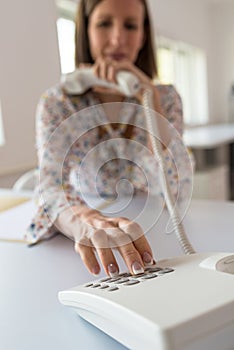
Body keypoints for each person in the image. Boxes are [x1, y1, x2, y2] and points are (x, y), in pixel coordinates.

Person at [26, 0, 193, 277]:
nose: (118, 39)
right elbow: (49, 188)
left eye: (130, 25)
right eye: (104, 24)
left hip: (161, 231)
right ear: (86, 30)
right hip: (84, 241)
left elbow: (175, 187)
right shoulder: (57, 102)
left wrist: (149, 98)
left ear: (143, 35)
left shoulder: (165, 98)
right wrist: (85, 221)